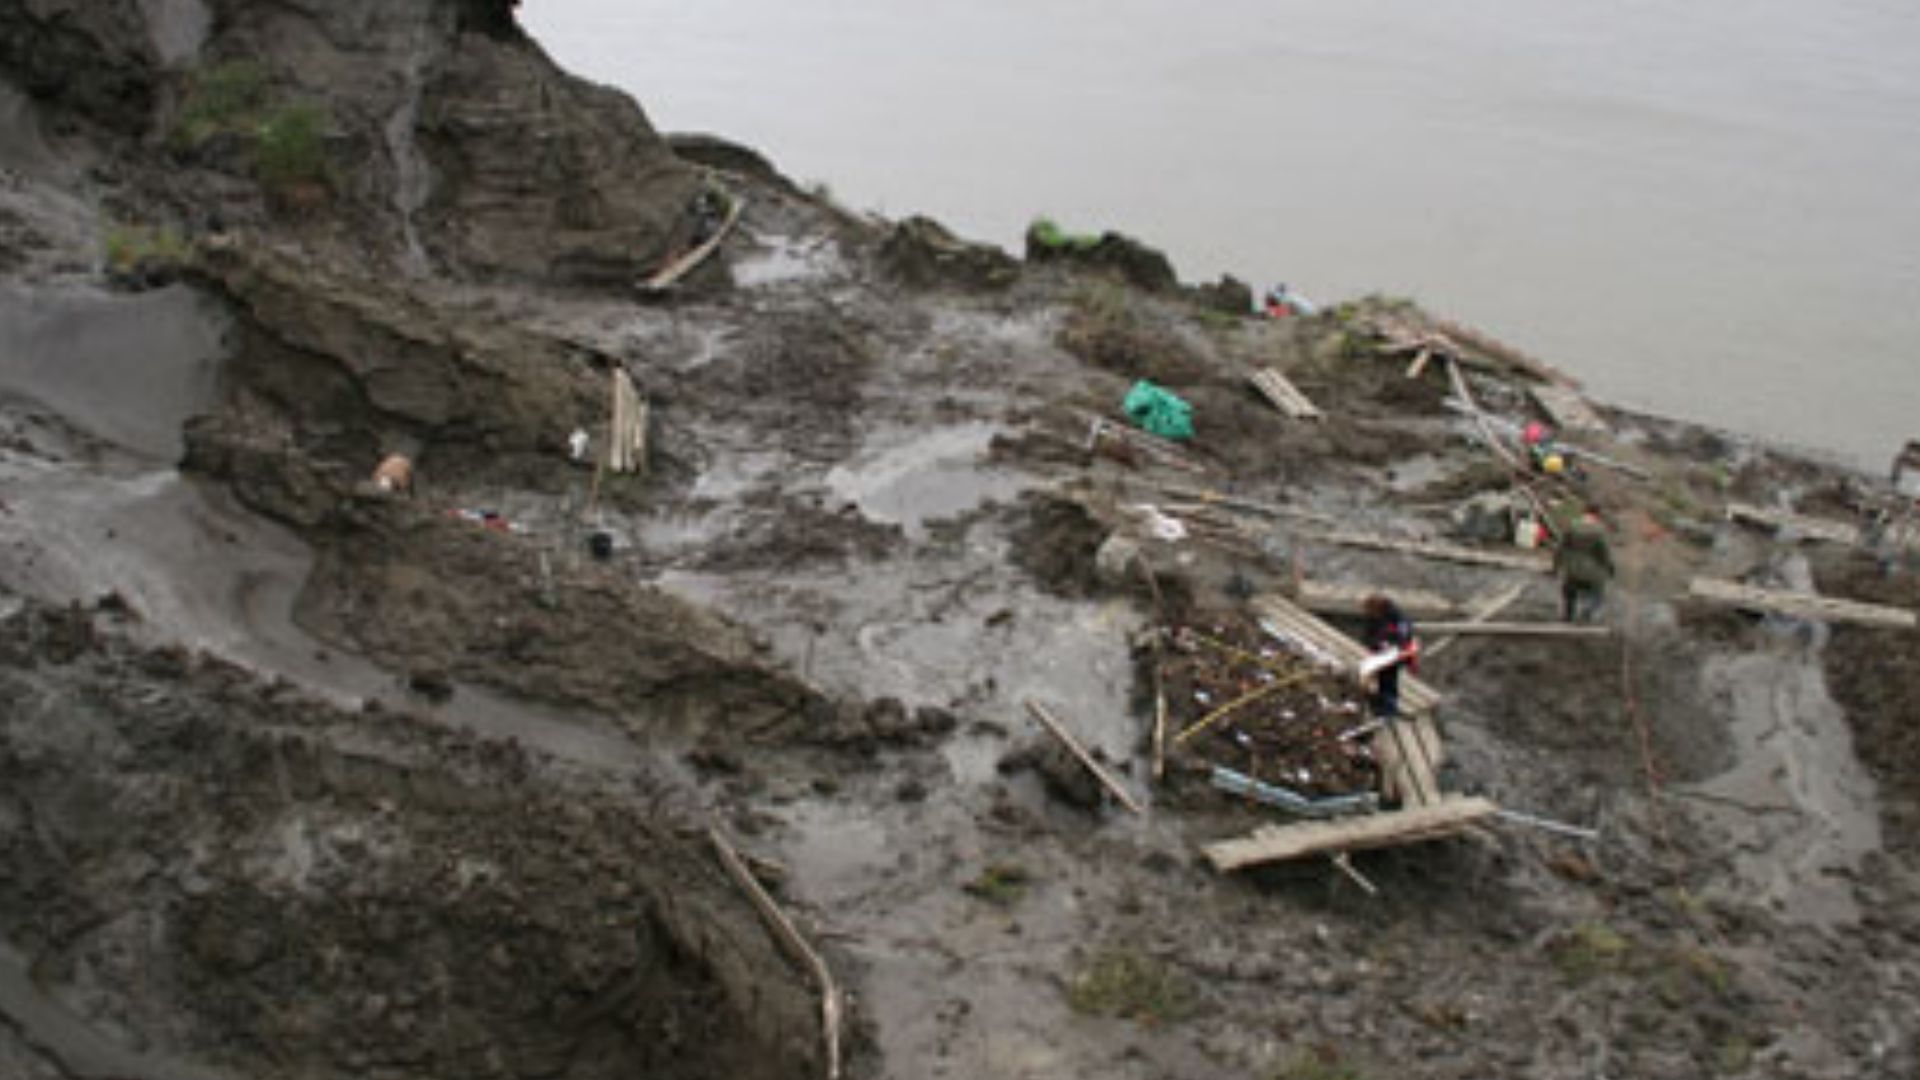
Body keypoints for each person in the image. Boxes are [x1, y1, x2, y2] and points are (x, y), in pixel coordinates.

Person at [1359, 594, 1419, 720]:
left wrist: (1394, 644)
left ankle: (1389, 709)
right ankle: (1379, 704)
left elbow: (1404, 634)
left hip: (1395, 651)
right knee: (1373, 678)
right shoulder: (1371, 618)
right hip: (1379, 651)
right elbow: (1367, 636)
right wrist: (1376, 644)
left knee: (1389, 679)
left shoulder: (1397, 617)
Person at [1555, 512, 1615, 622]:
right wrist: (1610, 567)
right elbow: (1604, 553)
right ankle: (1586, 611)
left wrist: (1556, 565)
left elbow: (1560, 549)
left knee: (1569, 590)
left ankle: (1568, 614)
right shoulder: (1599, 531)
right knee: (1597, 593)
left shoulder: (1571, 529)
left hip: (1572, 569)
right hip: (1592, 571)